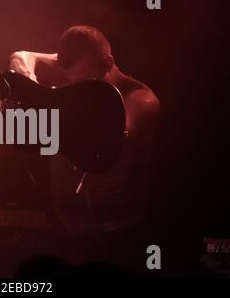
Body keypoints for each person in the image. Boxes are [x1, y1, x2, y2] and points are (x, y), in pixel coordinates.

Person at [8, 25, 160, 236]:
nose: (75, 88)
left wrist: (49, 116)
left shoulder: (141, 99)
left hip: (119, 230)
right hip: (68, 228)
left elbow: (116, 134)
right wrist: (28, 81)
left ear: (107, 63)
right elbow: (21, 56)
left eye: (84, 81)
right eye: (71, 80)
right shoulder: (74, 72)